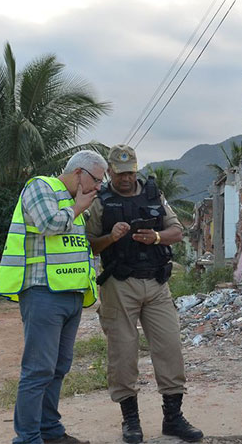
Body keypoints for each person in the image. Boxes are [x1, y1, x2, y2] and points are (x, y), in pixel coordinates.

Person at [86, 144, 202, 444]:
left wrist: (157, 237)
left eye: (130, 172)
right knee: (123, 353)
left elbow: (178, 231)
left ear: (137, 169)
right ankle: (131, 422)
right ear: (110, 171)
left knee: (170, 348)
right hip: (119, 286)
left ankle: (173, 419)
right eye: (120, 173)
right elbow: (88, 244)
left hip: (157, 284)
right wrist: (110, 238)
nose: (126, 178)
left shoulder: (154, 195)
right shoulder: (101, 201)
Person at [0, 150, 107, 444]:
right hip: (43, 292)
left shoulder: (76, 202)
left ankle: (50, 430)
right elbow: (49, 225)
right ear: (79, 173)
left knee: (58, 367)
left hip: (70, 295)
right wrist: (78, 208)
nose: (97, 187)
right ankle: (28, 437)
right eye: (96, 180)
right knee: (38, 369)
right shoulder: (40, 187)